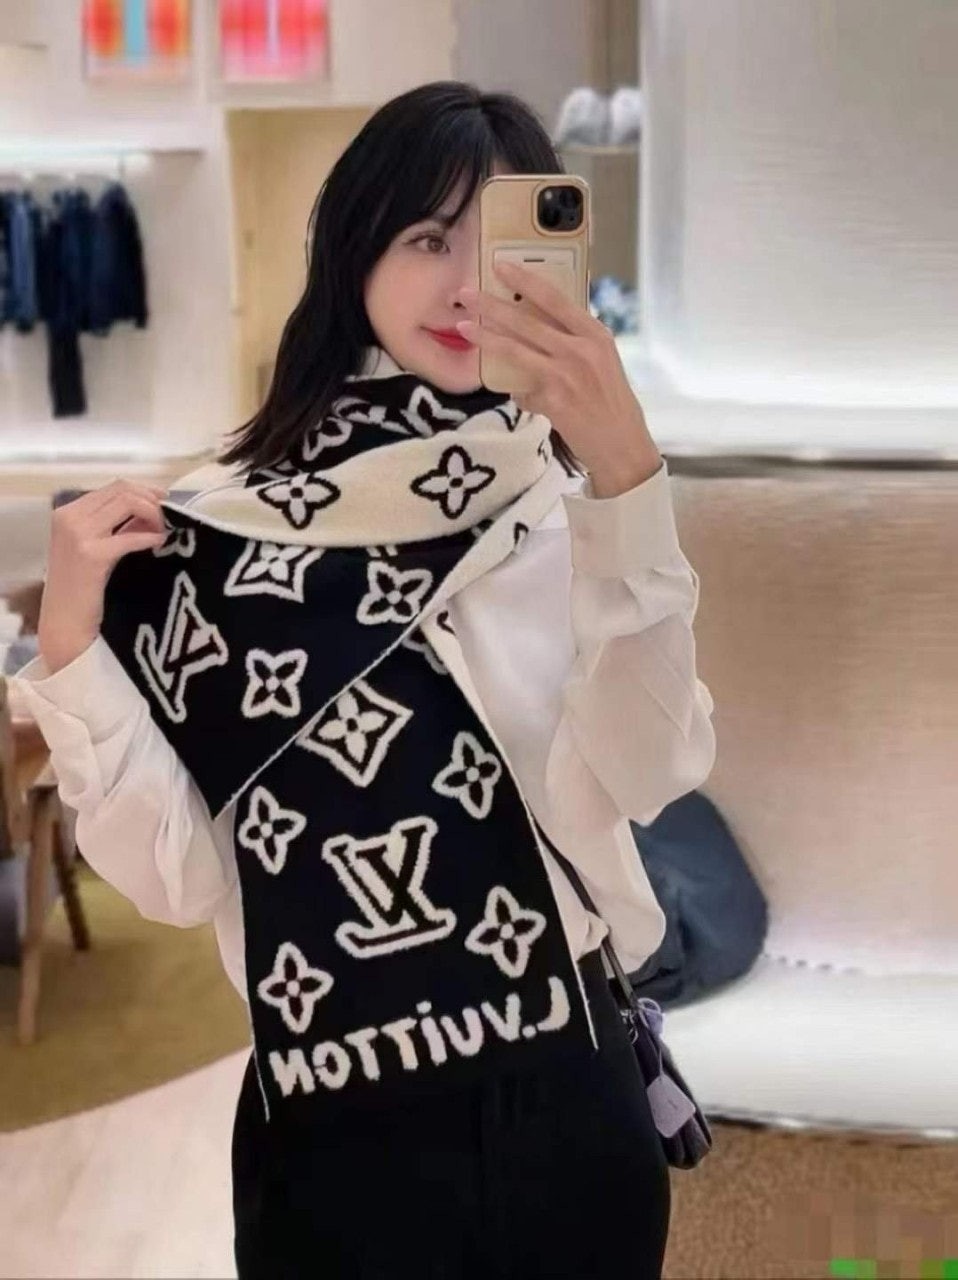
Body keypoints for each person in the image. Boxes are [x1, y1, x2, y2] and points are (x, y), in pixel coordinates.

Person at [13, 81, 716, 1279]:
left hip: (563, 1100)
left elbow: (646, 770)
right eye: (428, 239)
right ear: (355, 253)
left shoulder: (577, 512)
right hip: (330, 1133)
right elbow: (177, 874)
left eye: (499, 243)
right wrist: (75, 644)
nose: (465, 286)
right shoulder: (223, 541)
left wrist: (625, 483)